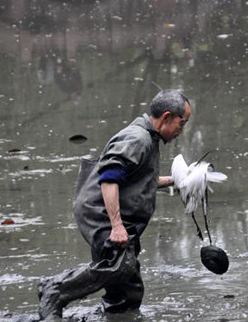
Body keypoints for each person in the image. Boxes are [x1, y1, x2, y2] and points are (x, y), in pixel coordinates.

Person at [37, 89, 191, 321]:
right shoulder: (138, 138)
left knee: (128, 289)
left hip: (109, 211)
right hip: (100, 212)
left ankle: (118, 313)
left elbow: (136, 178)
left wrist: (178, 180)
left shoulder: (150, 138)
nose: (182, 130)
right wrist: (117, 226)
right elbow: (109, 176)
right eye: (182, 123)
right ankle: (56, 290)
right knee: (118, 264)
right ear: (167, 117)